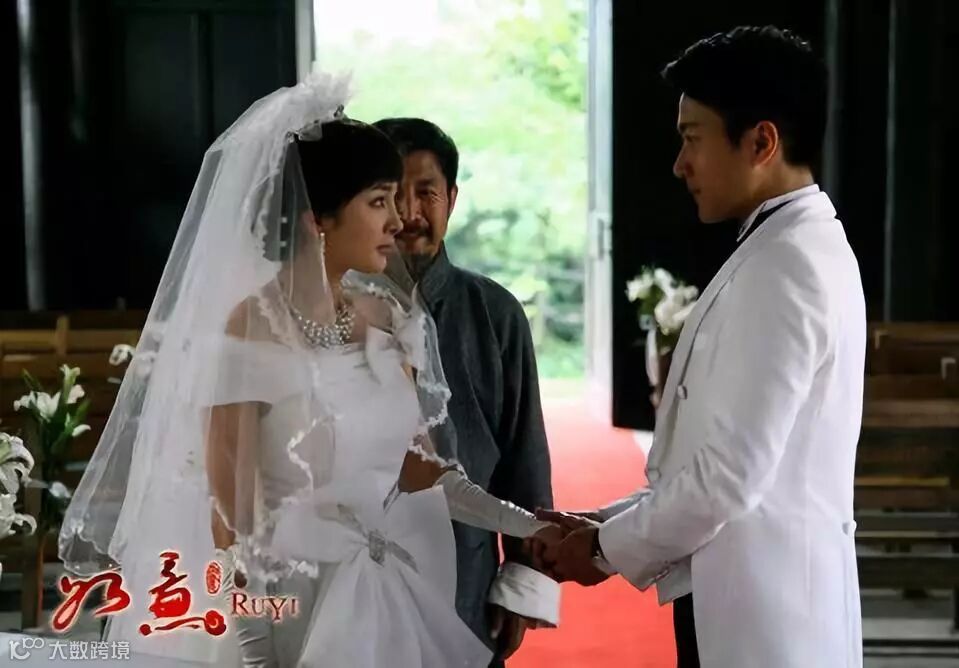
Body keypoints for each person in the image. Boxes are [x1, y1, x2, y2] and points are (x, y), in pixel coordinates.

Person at [58, 73, 562, 668]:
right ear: (317, 218)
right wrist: (256, 646)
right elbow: (231, 520)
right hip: (292, 610)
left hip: (385, 598)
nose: (397, 220)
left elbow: (424, 472)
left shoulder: (387, 319)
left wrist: (531, 526)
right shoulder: (247, 330)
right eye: (379, 201)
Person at [533, 26, 866, 668]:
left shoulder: (788, 265)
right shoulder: (785, 245)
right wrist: (607, 521)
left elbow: (728, 478)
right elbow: (718, 458)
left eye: (692, 138)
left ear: (761, 142)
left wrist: (602, 549)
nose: (679, 164)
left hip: (767, 617)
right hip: (754, 597)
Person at [373, 117, 558, 664]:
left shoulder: (495, 313)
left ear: (451, 199)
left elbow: (525, 458)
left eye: (426, 192)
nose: (409, 212)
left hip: (466, 578)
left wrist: (521, 579)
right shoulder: (334, 314)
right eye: (391, 195)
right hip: (361, 578)